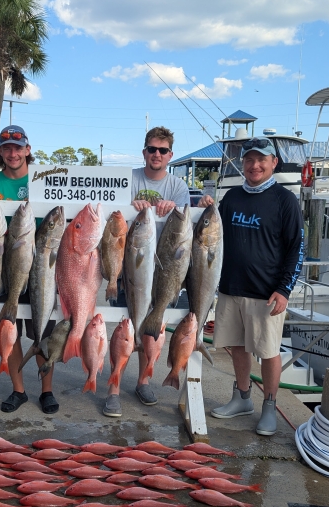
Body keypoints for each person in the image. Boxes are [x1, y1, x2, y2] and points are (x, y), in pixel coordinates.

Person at [199, 137, 304, 436]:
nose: (255, 165)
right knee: (237, 346)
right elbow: (211, 235)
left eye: (262, 159)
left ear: (274, 163)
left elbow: (297, 248)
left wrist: (284, 289)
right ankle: (242, 397)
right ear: (242, 164)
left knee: (268, 351)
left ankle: (269, 406)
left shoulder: (285, 200)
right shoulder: (231, 197)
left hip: (266, 292)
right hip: (230, 287)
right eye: (249, 160)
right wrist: (206, 207)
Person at [103, 126, 191, 417]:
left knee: (151, 329)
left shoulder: (178, 187)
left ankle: (143, 381)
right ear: (144, 152)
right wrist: (130, 207)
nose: (157, 154)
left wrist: (175, 207)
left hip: (162, 269)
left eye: (162, 150)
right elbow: (112, 215)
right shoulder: (127, 180)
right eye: (152, 149)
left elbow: (185, 223)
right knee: (124, 327)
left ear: (170, 155)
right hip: (130, 266)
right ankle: (114, 387)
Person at [0, 125, 59, 415]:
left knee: (43, 332)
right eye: (7, 148)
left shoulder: (44, 180)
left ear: (27, 149)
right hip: (4, 269)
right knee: (8, 329)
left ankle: (46, 390)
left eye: (18, 147)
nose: (13, 153)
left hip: (40, 267)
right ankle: (19, 390)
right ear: (0, 152)